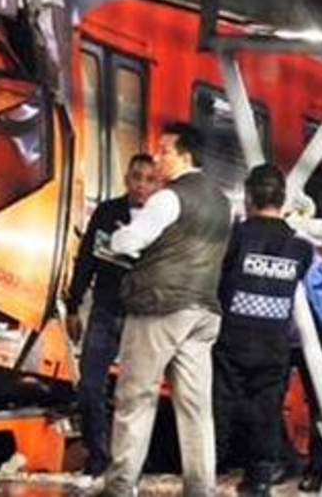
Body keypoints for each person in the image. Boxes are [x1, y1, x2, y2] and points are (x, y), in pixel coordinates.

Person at [97, 123, 232, 497]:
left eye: (165, 151)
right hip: (204, 310)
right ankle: (200, 487)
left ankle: (121, 484)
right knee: (195, 405)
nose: (157, 159)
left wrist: (122, 236)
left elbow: (130, 241)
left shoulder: (169, 198)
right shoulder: (222, 202)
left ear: (186, 156)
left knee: (136, 396)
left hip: (160, 306)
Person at [212, 164, 313, 497]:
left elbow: (218, 280)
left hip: (232, 340)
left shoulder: (236, 237)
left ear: (250, 198)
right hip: (274, 345)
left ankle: (211, 471)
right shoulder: (301, 248)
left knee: (220, 408)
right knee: (267, 412)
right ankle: (259, 481)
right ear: (282, 200)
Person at [66, 154, 158, 478]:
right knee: (90, 386)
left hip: (141, 315)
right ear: (127, 179)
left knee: (135, 392)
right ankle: (99, 456)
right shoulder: (107, 213)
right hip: (105, 308)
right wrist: (73, 303)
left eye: (149, 179)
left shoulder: (160, 220)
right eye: (137, 177)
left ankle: (129, 462)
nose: (142, 185)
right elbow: (86, 258)